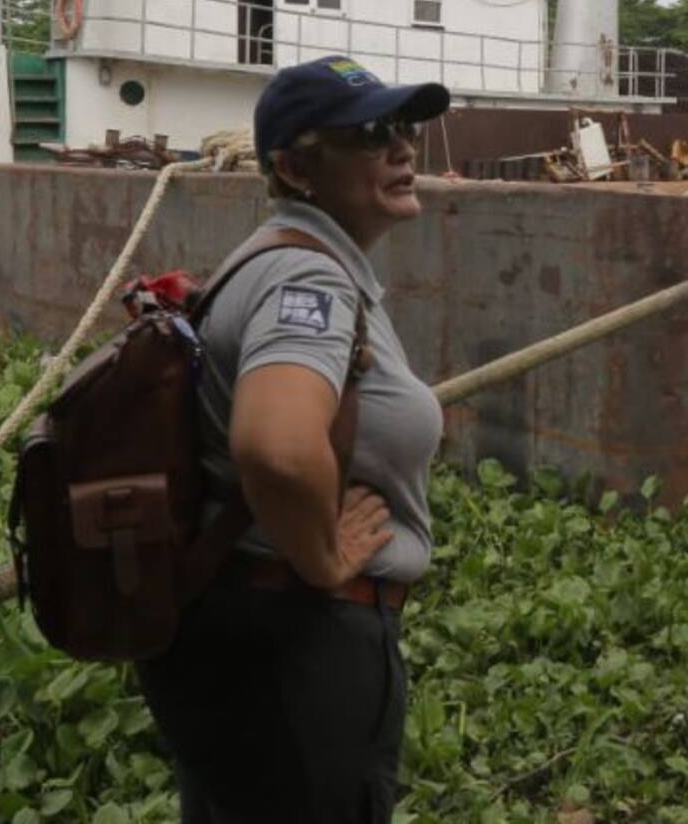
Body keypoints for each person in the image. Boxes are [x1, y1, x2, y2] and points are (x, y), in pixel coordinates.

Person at [135, 54, 450, 824]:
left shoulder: (273, 259)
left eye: (405, 128)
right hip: (295, 649)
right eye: (371, 133)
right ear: (293, 166)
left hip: (232, 631)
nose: (403, 148)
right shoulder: (308, 281)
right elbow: (275, 445)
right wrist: (321, 557)